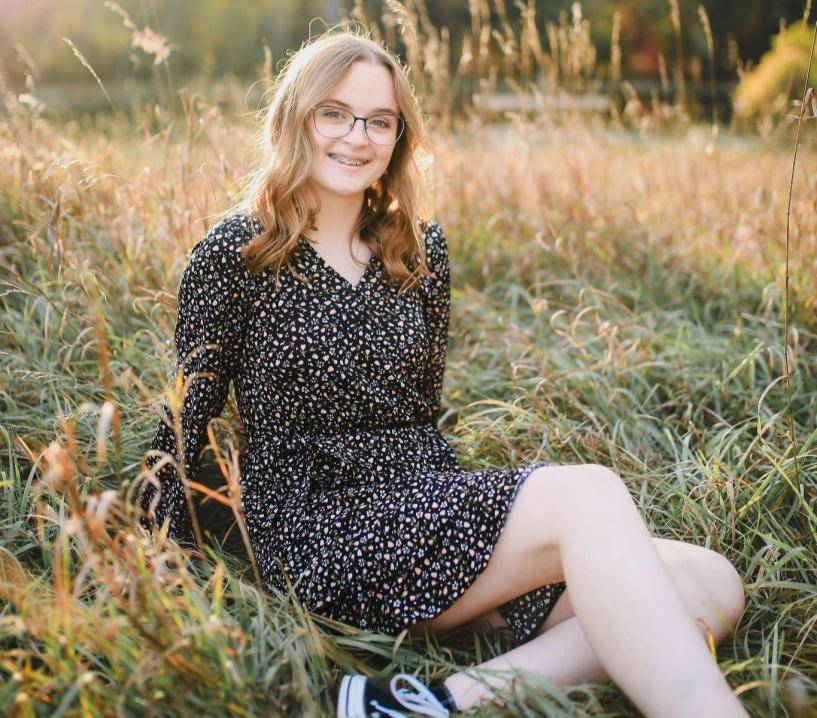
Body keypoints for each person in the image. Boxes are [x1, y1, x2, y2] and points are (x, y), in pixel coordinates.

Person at [137, 27, 750, 718]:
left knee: (707, 582)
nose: (355, 136)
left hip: (425, 505)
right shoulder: (236, 252)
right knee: (586, 497)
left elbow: (422, 410)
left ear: (398, 136)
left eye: (379, 120)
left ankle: (415, 703)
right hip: (319, 529)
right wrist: (158, 572)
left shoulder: (418, 247)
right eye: (333, 113)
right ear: (295, 118)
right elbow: (184, 418)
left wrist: (474, 523)